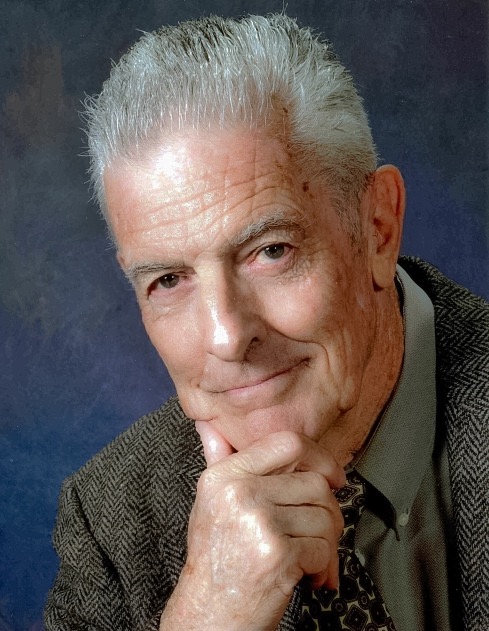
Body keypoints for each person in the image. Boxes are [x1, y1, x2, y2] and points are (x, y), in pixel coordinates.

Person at [44, 13, 488, 631]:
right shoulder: (110, 525)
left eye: (270, 251)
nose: (228, 337)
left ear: (377, 229)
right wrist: (207, 615)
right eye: (168, 280)